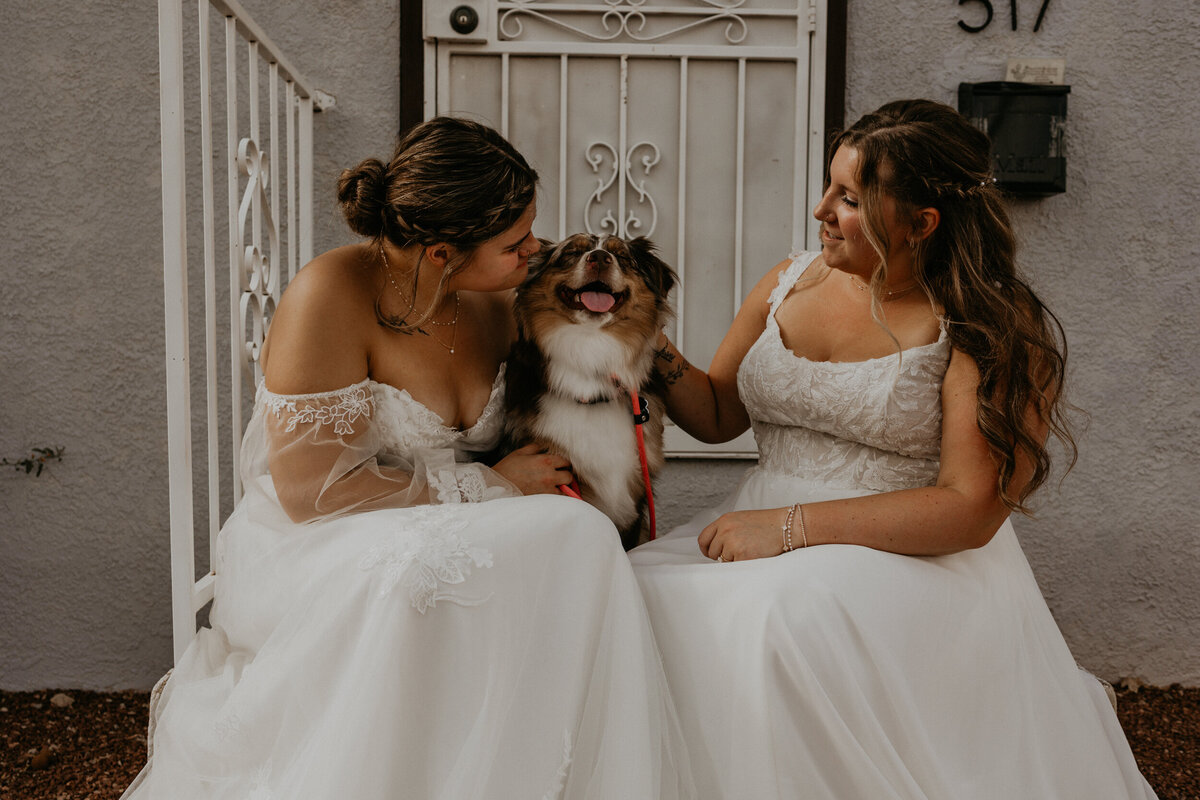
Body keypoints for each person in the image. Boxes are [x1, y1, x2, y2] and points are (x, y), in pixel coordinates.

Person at [124, 117, 693, 800]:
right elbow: (312, 492)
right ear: (441, 254)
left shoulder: (495, 299)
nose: (534, 250)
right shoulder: (328, 296)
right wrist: (489, 485)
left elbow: (593, 357)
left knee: (577, 537)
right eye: (516, 242)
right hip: (322, 535)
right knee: (570, 535)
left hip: (455, 518)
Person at [630, 100, 1156, 799]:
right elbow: (720, 411)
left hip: (912, 555)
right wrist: (639, 335)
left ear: (920, 223)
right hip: (760, 529)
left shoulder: (982, 320)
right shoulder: (789, 280)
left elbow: (970, 508)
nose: (820, 209)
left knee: (775, 622)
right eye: (828, 187)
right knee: (633, 591)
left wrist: (788, 531)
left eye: (848, 198)